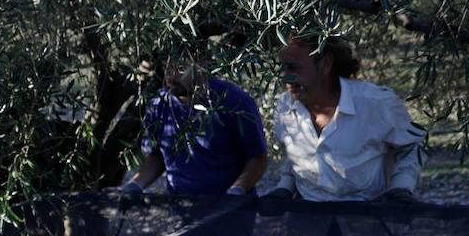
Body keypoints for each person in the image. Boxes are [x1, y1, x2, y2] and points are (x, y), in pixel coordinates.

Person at [266, 35, 427, 202]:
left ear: (325, 64)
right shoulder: (285, 106)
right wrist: (284, 188)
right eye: (282, 68)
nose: (286, 78)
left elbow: (412, 144)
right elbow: (296, 155)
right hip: (306, 216)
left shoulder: (375, 103)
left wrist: (400, 188)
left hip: (365, 215)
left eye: (293, 68)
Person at [120, 56, 269, 201]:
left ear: (202, 63)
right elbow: (156, 157)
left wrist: (236, 191)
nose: (171, 74)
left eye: (181, 67)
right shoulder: (159, 104)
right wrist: (135, 185)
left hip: (230, 215)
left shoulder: (233, 102)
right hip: (179, 210)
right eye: (168, 65)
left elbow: (258, 159)